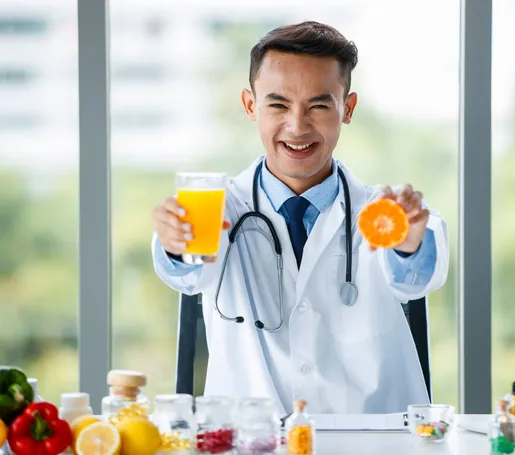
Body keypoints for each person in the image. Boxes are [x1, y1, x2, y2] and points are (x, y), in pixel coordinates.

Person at [151, 21, 449, 415]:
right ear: (250, 105)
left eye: (319, 105)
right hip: (255, 438)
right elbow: (185, 274)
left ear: (348, 108)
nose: (297, 126)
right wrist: (176, 244)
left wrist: (410, 243)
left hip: (371, 438)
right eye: (278, 105)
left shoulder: (383, 213)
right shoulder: (216, 209)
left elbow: (417, 275)